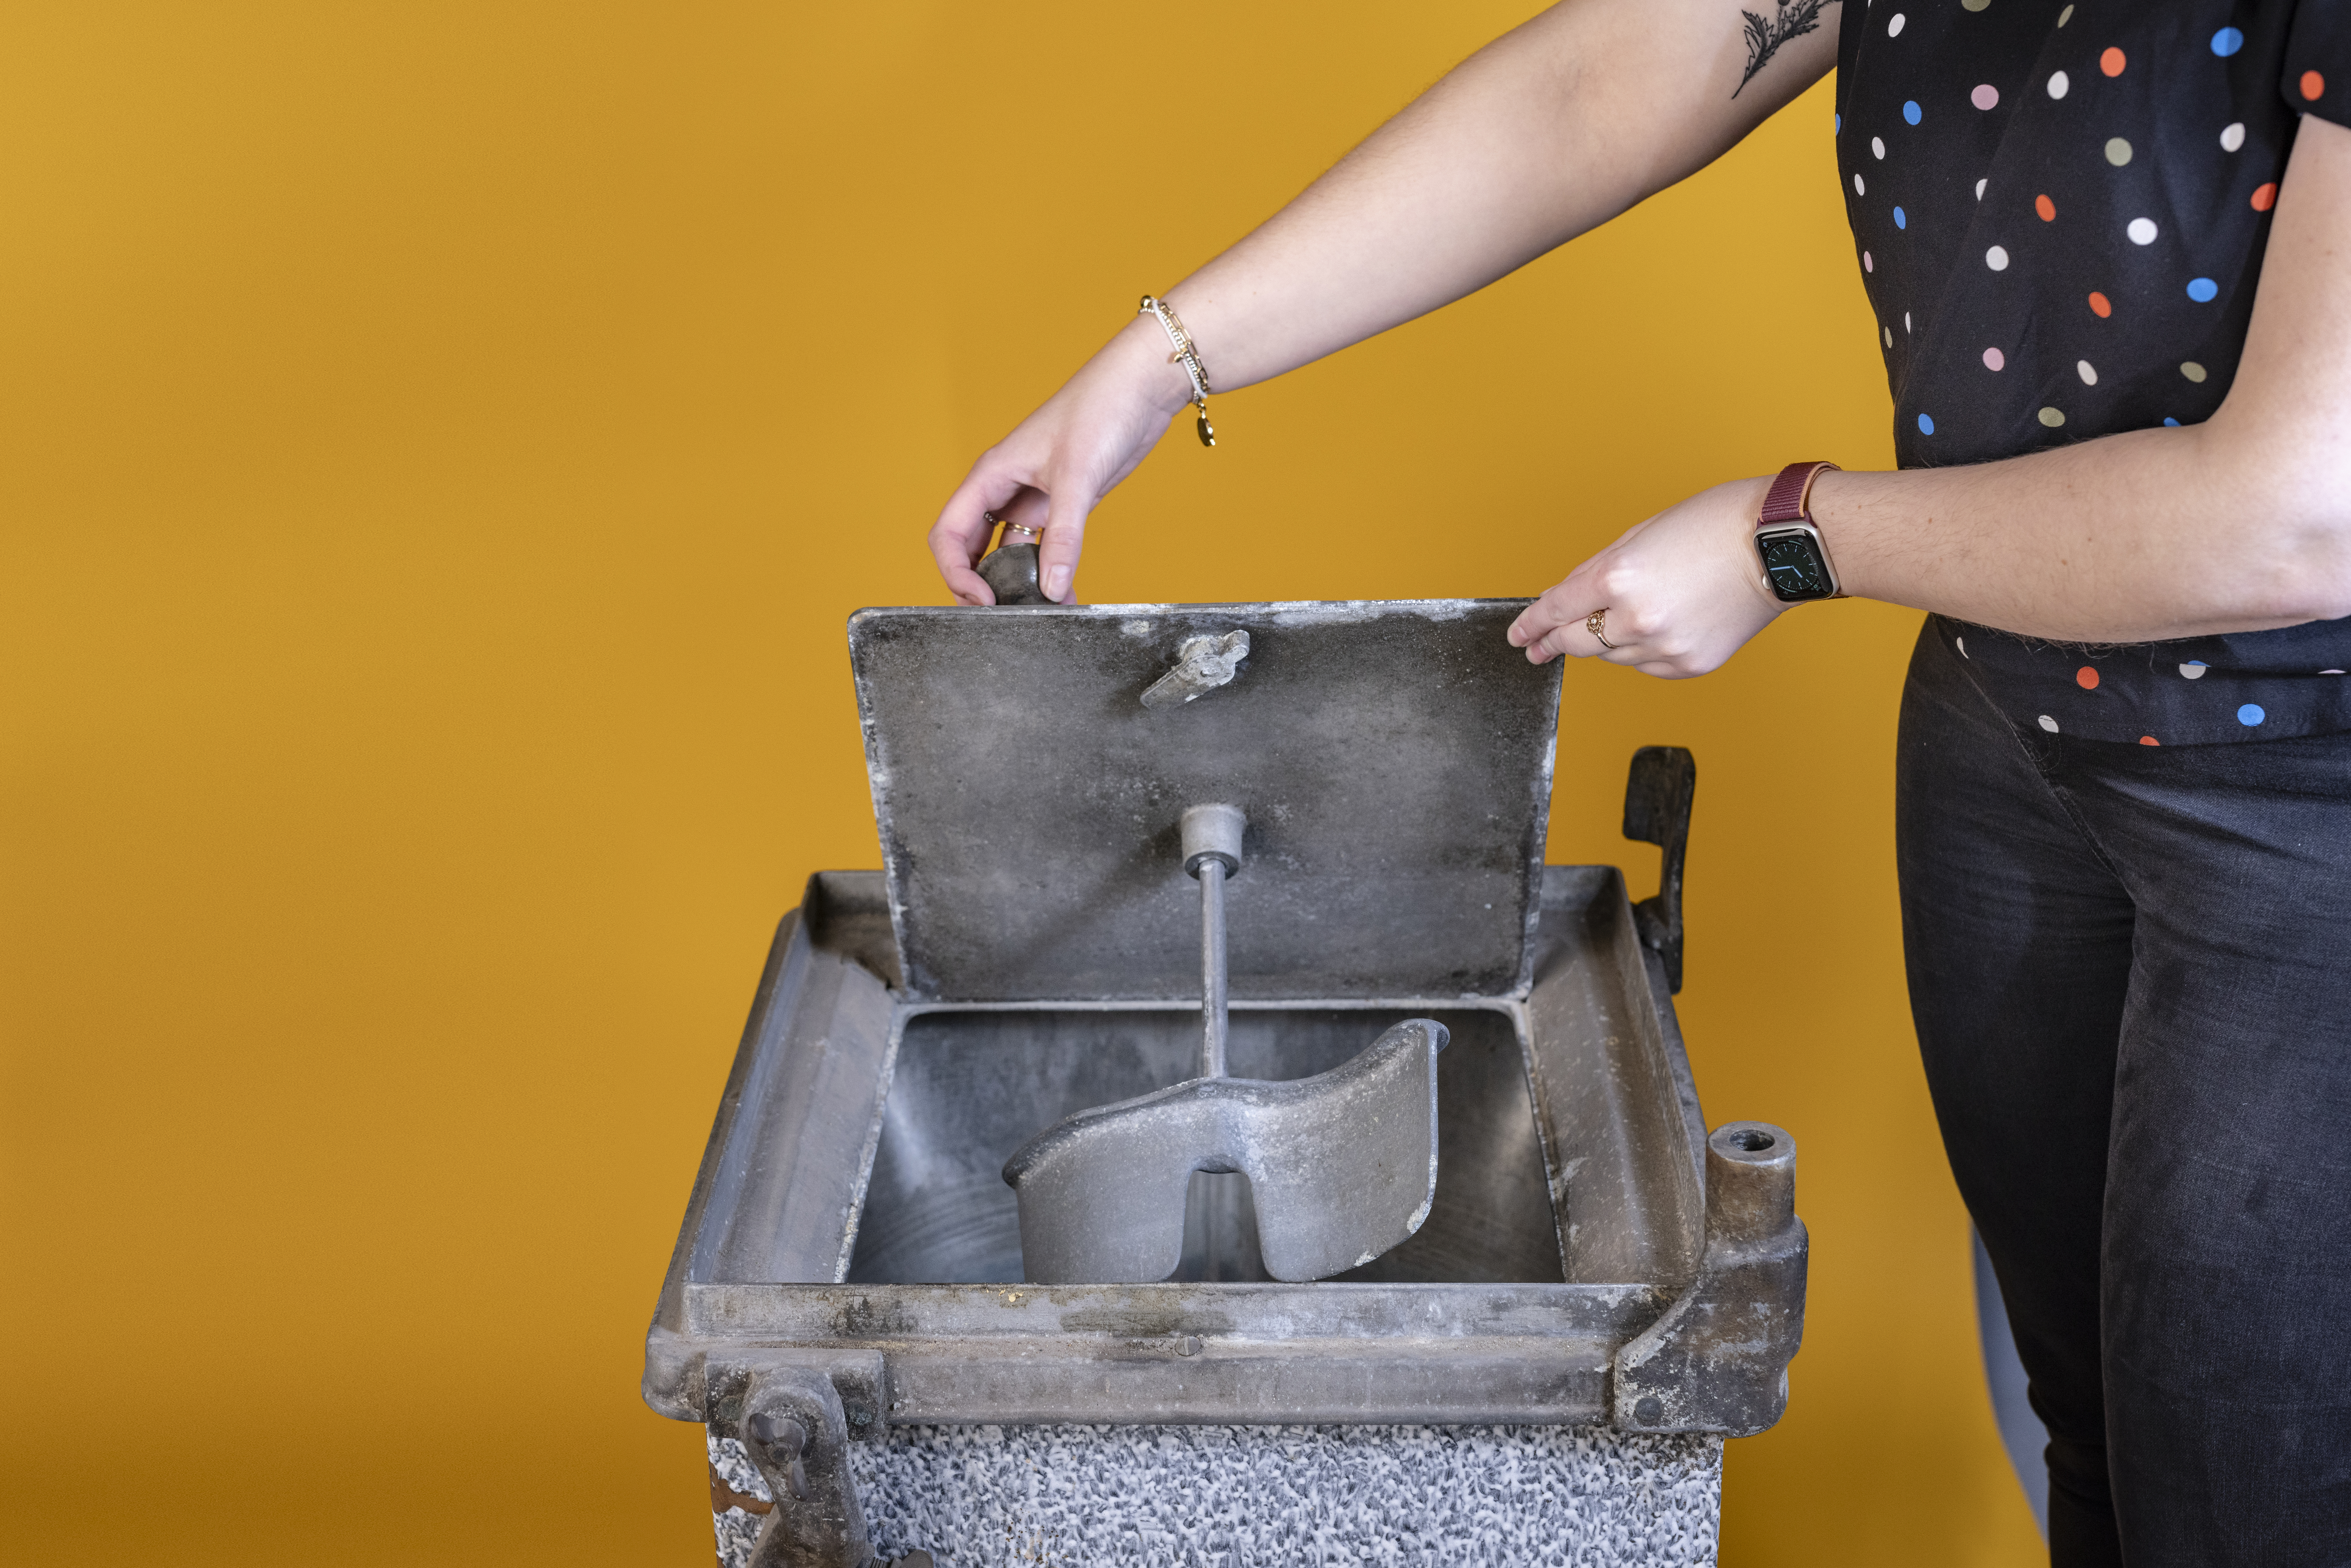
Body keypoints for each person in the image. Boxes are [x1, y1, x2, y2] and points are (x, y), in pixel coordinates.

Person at [926, 1, 2351, 1563]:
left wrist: (1784, 536)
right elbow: (1609, 79)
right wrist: (1156, 363)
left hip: (2307, 800)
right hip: (2008, 714)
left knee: (2249, 1501)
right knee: (2102, 1434)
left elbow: (2301, 518)